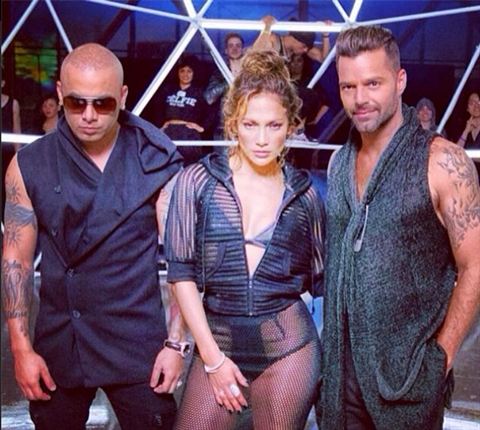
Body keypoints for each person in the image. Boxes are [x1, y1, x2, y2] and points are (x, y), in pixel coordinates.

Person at [2, 43, 186, 429]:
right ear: (59, 94)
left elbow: (182, 261)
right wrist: (20, 348)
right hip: (61, 337)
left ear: (123, 96)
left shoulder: (156, 159)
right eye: (76, 103)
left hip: (137, 340)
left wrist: (175, 344)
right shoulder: (29, 164)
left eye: (102, 104)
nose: (88, 115)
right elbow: (16, 260)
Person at [319, 25, 480, 430]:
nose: (360, 98)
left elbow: (475, 265)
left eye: (373, 83)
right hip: (340, 380)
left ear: (400, 80)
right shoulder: (339, 163)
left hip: (409, 378)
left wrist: (440, 359)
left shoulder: (442, 161)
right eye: (348, 86)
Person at [164, 50, 325, 430]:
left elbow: (324, 284)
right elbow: (182, 277)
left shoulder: (305, 195)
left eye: (274, 125)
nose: (262, 139)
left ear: (291, 126)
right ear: (234, 123)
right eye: (251, 124)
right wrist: (212, 360)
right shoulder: (197, 182)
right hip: (216, 345)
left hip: (289, 351)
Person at [154, 55, 207, 165]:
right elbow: (157, 108)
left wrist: (201, 128)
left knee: (189, 166)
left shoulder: (199, 92)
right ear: (177, 73)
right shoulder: (168, 90)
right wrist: (161, 125)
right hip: (169, 131)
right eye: (182, 71)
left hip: (189, 134)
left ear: (194, 73)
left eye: (189, 71)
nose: (185, 74)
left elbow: (210, 112)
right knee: (166, 164)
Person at [204, 32, 245, 140]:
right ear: (226, 50)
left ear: (242, 49)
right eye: (231, 46)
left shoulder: (250, 71)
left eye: (238, 45)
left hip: (247, 126)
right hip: (223, 129)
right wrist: (230, 81)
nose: (234, 49)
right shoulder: (219, 72)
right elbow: (209, 97)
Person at [253, 15, 331, 64]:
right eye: (304, 46)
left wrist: (325, 35)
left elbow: (323, 59)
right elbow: (255, 54)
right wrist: (267, 27)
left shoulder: (298, 50)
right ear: (295, 39)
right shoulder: (273, 40)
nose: (305, 50)